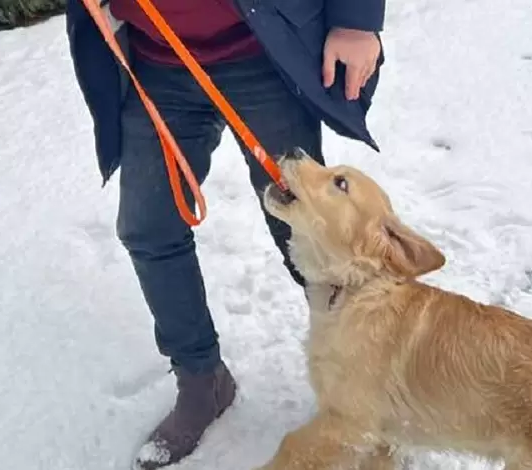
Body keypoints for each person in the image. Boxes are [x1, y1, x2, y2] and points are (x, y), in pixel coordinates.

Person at [64, 0, 385, 467]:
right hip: (158, 63)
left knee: (307, 231)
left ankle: (368, 382)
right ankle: (201, 380)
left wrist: (357, 22)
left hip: (261, 51)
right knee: (147, 226)